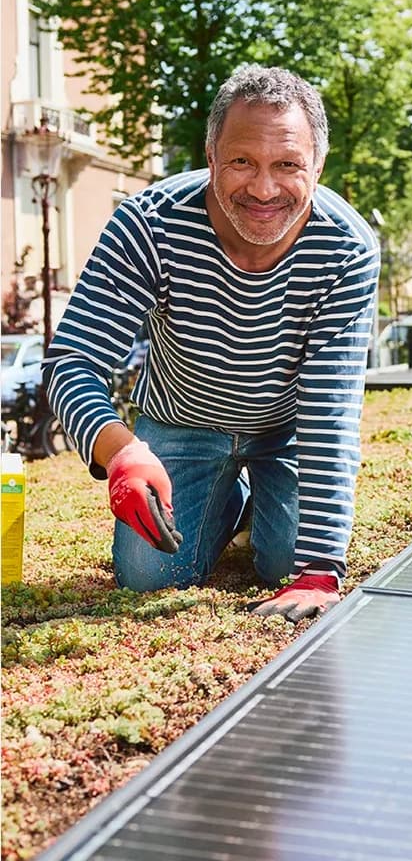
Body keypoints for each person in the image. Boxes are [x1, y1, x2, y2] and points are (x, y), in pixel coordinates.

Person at [44, 65, 380, 622]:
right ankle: (229, 498)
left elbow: (330, 407)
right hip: (179, 421)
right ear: (210, 155)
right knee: (149, 577)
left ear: (318, 166)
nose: (264, 188)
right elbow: (73, 360)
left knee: (284, 565)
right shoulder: (148, 224)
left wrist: (320, 569)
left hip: (285, 430)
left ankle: (252, 501)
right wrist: (121, 451)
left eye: (288, 165)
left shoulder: (347, 248)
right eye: (242, 161)